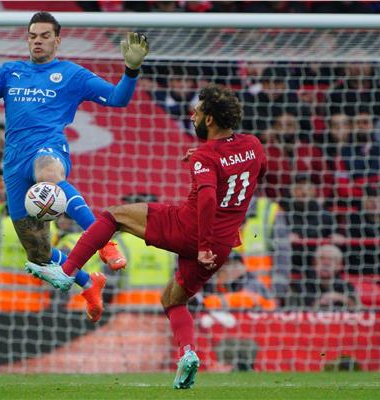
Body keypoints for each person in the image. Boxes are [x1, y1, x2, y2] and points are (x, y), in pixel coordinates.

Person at [27, 85, 267, 389]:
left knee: (114, 215)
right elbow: (253, 172)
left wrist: (202, 240)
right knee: (172, 300)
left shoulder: (206, 156)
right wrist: (209, 161)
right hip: (222, 244)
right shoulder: (253, 146)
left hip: (190, 229)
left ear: (209, 119)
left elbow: (207, 198)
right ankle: (188, 354)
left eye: (197, 111)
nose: (192, 115)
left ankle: (66, 272)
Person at [0, 13, 148, 314]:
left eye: (45, 35)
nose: (38, 40)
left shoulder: (71, 74)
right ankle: (89, 284)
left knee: (49, 173)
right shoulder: (11, 71)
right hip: (14, 162)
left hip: (48, 146)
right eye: (33, 35)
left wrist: (132, 69)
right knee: (38, 254)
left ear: (57, 40)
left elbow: (116, 99)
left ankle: (105, 244)